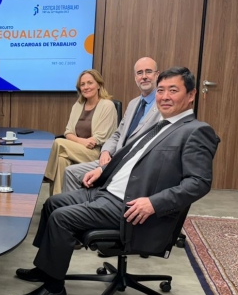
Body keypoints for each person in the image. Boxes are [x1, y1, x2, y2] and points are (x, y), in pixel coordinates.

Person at [13, 67, 220, 295]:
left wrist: (153, 203)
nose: (164, 96)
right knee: (52, 203)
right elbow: (126, 155)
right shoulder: (160, 125)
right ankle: (45, 269)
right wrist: (102, 171)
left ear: (191, 95)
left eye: (173, 90)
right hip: (108, 192)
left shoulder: (195, 131)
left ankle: (54, 290)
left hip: (131, 205)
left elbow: (199, 183)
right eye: (161, 90)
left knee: (61, 218)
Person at [62, 57, 163, 193]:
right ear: (135, 78)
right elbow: (118, 134)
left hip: (134, 163)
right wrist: (106, 151)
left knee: (58, 145)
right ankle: (70, 212)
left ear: (157, 75)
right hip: (113, 157)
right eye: (139, 73)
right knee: (69, 170)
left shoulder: (164, 104)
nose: (144, 77)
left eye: (148, 72)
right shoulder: (133, 104)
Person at [44, 69, 117, 195]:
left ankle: (45, 176)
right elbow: (68, 132)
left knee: (58, 142)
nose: (86, 87)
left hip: (96, 153)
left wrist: (81, 141)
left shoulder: (107, 105)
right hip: (78, 149)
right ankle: (58, 201)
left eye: (90, 83)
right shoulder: (78, 105)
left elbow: (98, 139)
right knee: (61, 159)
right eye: (82, 84)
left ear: (99, 85)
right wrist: (81, 141)